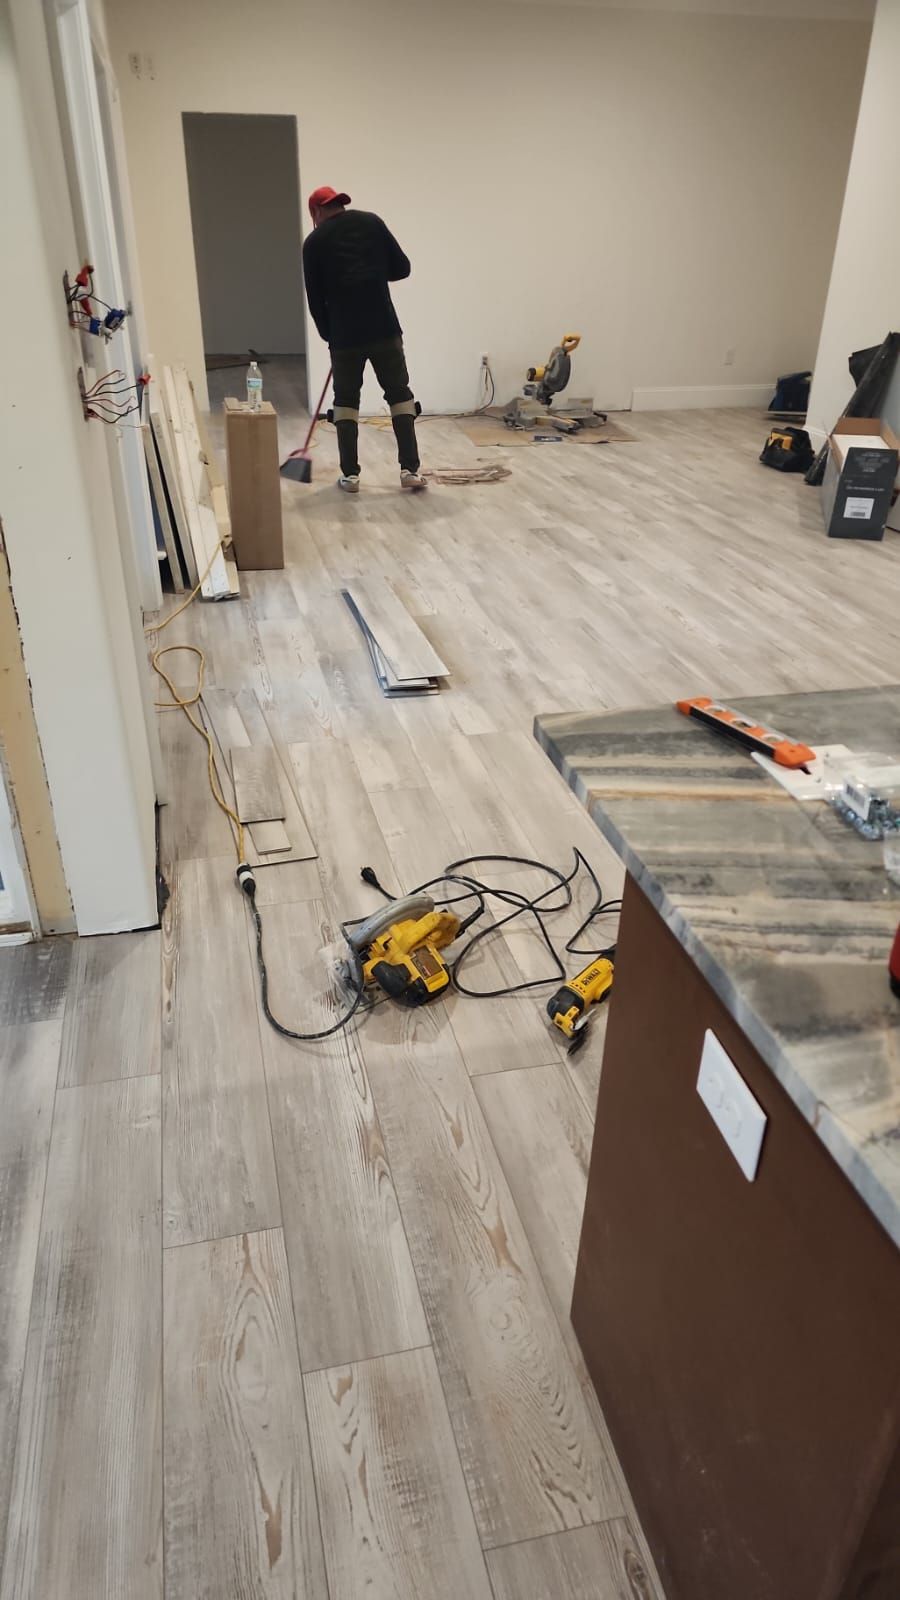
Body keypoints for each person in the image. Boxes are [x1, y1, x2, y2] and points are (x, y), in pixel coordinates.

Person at [302, 185, 426, 494]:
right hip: (384, 328)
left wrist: (329, 335)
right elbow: (402, 268)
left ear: (315, 213)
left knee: (345, 403)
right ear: (340, 205)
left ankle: (351, 476)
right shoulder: (372, 222)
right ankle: (409, 470)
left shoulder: (314, 242)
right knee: (400, 396)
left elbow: (315, 300)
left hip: (345, 335)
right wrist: (372, 272)